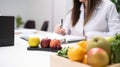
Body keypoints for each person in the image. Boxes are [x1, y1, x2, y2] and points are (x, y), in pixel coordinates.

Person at [54, 0, 120, 39]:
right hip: (75, 53)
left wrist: (92, 35)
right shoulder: (75, 10)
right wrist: (60, 29)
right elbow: (65, 28)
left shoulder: (108, 6)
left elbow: (117, 34)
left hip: (97, 54)